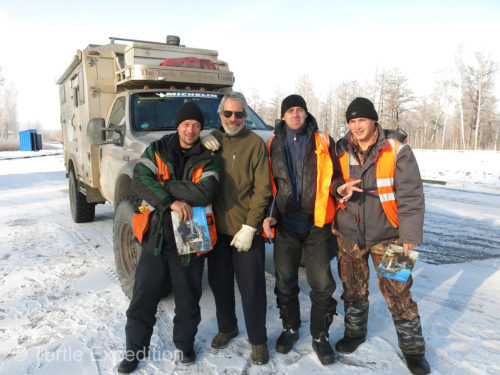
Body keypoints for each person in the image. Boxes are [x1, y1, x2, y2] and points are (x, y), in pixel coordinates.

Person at [118, 102, 220, 373]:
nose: (191, 130)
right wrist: (172, 202)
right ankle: (134, 350)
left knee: (188, 298)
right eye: (186, 124)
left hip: (191, 232)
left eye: (196, 126)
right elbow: (140, 180)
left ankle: (184, 344)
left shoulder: (209, 157)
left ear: (201, 129)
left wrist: (163, 186)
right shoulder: (157, 149)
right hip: (157, 234)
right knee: (143, 297)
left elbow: (206, 192)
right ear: (178, 126)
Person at [333, 97, 430, 374]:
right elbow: (330, 181)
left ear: (374, 120)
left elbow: (412, 196)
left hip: (391, 235)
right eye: (352, 121)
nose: (357, 126)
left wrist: (410, 235)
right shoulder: (340, 149)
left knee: (399, 292)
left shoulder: (398, 149)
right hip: (349, 232)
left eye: (362, 120)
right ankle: (354, 334)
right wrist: (338, 187)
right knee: (352, 288)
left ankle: (413, 350)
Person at [262, 94, 340, 366]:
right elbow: (268, 185)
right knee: (285, 282)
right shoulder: (272, 143)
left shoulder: (323, 141)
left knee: (322, 283)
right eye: (290, 111)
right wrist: (269, 216)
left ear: (306, 114)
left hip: (317, 224)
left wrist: (339, 188)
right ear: (283, 116)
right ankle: (290, 328)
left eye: (300, 110)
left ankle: (320, 336)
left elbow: (336, 175)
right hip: (285, 225)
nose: (295, 114)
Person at [202, 92, 272, 365]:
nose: (233, 119)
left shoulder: (254, 144)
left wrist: (251, 226)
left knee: (252, 288)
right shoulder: (211, 141)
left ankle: (258, 340)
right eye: (228, 114)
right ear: (220, 115)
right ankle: (227, 327)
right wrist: (202, 138)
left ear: (245, 116)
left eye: (239, 114)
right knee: (219, 284)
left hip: (245, 230)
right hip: (216, 230)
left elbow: (262, 190)